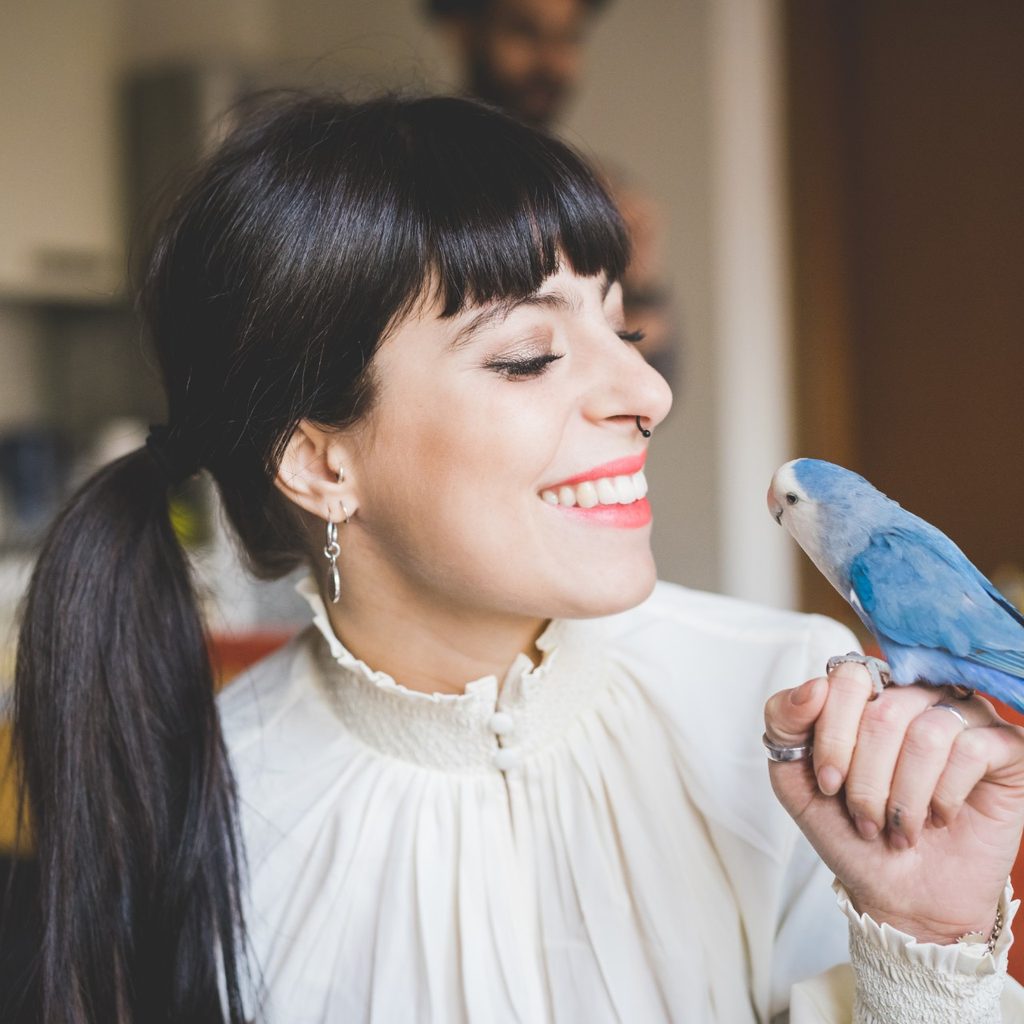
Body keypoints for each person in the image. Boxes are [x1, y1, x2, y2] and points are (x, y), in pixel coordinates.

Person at [10, 93, 1024, 1024]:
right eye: (529, 355)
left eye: (620, 326)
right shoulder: (199, 796)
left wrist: (927, 944)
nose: (647, 394)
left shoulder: (802, 708)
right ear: (320, 462)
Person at [426, 0, 677, 383]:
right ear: (463, 29)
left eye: (569, 38)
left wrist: (640, 281)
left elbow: (658, 376)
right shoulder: (413, 181)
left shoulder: (598, 189)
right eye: (525, 32)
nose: (552, 62)